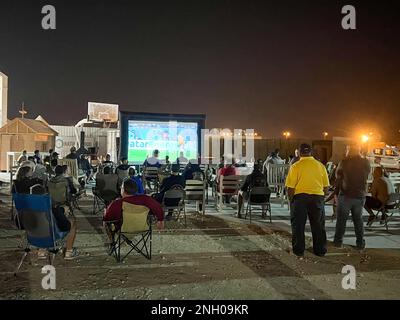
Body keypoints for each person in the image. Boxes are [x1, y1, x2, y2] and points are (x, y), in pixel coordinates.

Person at [285, 143, 330, 258]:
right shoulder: (320, 166)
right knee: (318, 225)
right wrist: (321, 198)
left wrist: (291, 201)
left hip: (300, 198)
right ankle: (320, 251)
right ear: (311, 152)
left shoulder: (295, 166)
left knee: (298, 225)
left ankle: (299, 250)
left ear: (299, 153)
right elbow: (326, 186)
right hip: (317, 197)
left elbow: (290, 187)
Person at [103, 179, 165, 244]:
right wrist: (160, 220)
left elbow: (107, 219)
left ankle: (112, 242)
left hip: (123, 230)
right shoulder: (146, 199)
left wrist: (105, 212)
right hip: (143, 228)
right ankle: (127, 238)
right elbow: (158, 207)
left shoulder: (117, 203)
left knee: (105, 222)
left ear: (123, 189)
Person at [333, 145, 371, 250]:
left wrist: (335, 193)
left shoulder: (344, 162)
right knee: (358, 220)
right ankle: (360, 244)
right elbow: (367, 175)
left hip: (345, 195)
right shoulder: (366, 162)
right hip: (360, 195)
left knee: (341, 220)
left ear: (349, 150)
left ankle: (338, 242)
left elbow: (338, 178)